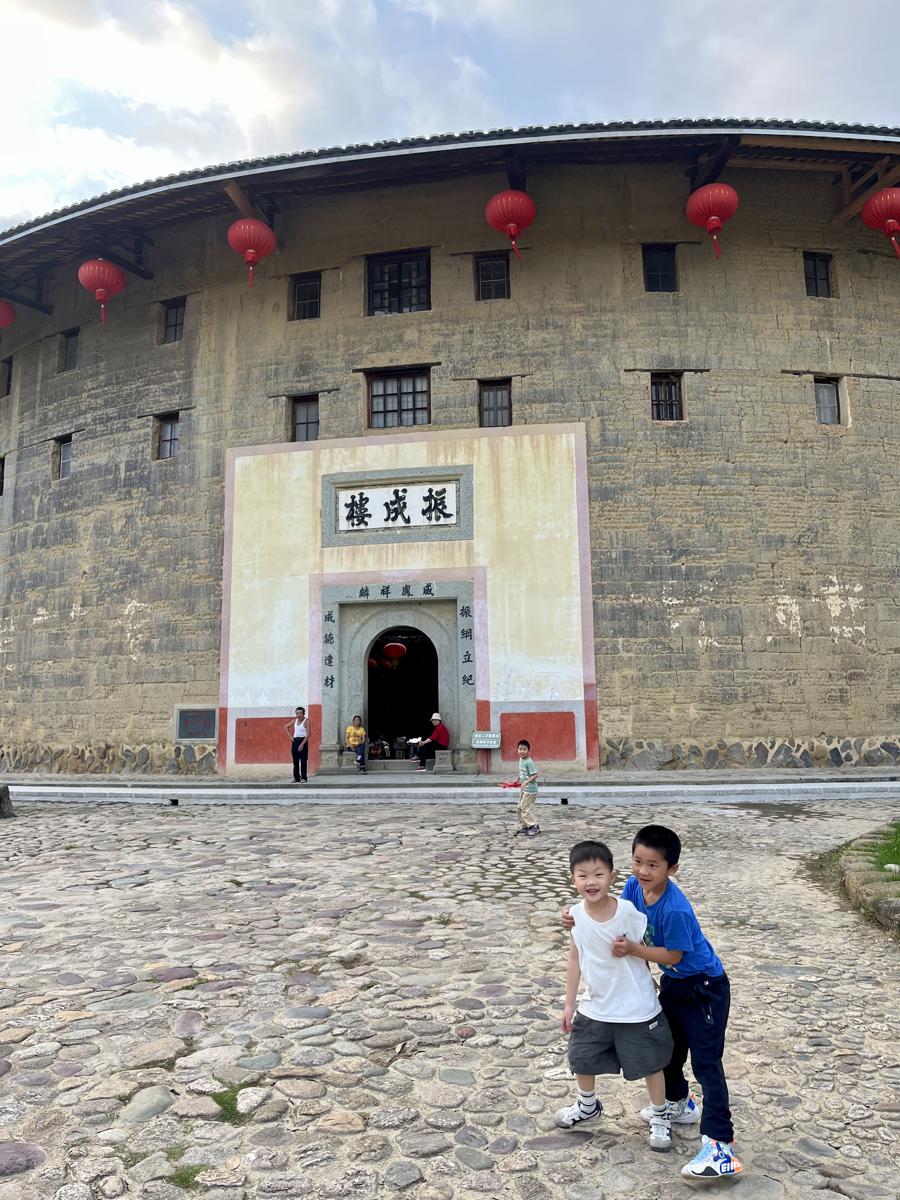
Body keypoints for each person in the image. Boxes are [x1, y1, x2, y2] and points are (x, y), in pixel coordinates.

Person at [604, 825, 742, 1179]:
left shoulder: (676, 909)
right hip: (675, 986)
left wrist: (634, 951)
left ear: (672, 869)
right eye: (637, 861)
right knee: (667, 1050)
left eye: (653, 865)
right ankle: (680, 1103)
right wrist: (580, 914)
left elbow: (675, 955)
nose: (643, 871)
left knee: (707, 1064)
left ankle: (720, 1147)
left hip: (705, 989)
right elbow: (620, 915)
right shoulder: (635, 886)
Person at [556, 840, 675, 1153]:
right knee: (581, 1055)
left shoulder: (627, 912)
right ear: (573, 879)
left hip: (636, 1006)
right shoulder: (576, 916)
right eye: (583, 876)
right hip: (595, 1004)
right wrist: (569, 1004)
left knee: (650, 1063)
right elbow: (574, 959)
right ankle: (587, 1105)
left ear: (612, 876)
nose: (591, 882)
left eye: (598, 874)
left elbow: (645, 946)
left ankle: (660, 1115)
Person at [514, 739, 540, 837]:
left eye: (524, 749)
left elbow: (535, 775)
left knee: (525, 809)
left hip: (530, 791)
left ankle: (534, 826)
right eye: (520, 749)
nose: (522, 751)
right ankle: (526, 826)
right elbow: (522, 772)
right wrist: (517, 780)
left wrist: (526, 782)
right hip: (524, 789)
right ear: (517, 750)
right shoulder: (521, 760)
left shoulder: (529, 762)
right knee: (519, 809)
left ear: (528, 750)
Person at [283, 705, 309, 783]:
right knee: (295, 761)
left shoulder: (306, 721)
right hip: (295, 741)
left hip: (303, 741)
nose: (298, 715)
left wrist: (302, 744)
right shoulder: (295, 721)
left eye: (300, 713)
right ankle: (296, 777)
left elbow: (308, 733)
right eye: (297, 713)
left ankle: (304, 777)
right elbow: (286, 727)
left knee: (303, 761)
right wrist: (291, 738)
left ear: (303, 714)